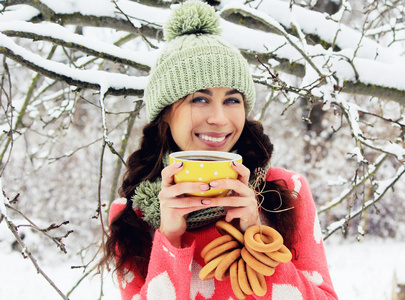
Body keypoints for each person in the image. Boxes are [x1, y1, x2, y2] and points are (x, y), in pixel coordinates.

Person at [100, 1, 338, 299]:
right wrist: (170, 241)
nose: (219, 119)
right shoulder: (132, 216)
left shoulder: (286, 193)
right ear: (165, 113)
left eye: (232, 100)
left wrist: (257, 233)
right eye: (199, 99)